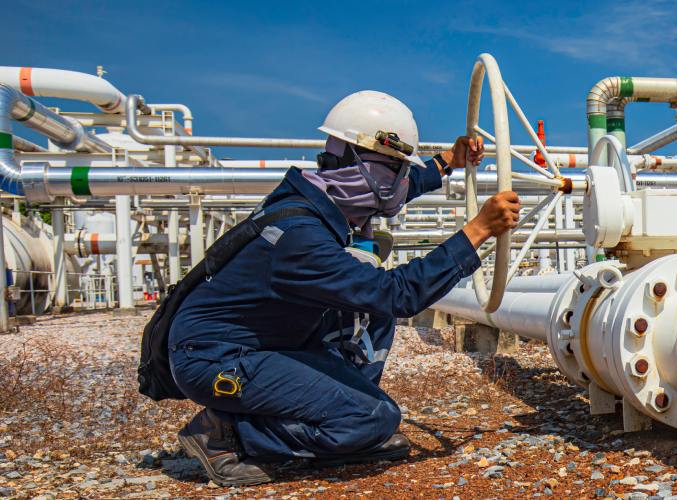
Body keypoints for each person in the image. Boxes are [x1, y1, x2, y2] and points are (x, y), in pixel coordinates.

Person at [168, 90, 520, 486]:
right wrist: (477, 231)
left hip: (257, 342)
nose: (402, 180)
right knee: (375, 416)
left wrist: (448, 161)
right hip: (218, 358)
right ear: (364, 168)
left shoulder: (317, 199)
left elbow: (389, 190)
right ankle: (225, 433)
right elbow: (398, 294)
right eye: (396, 169)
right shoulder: (300, 237)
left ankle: (342, 416)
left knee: (373, 315)